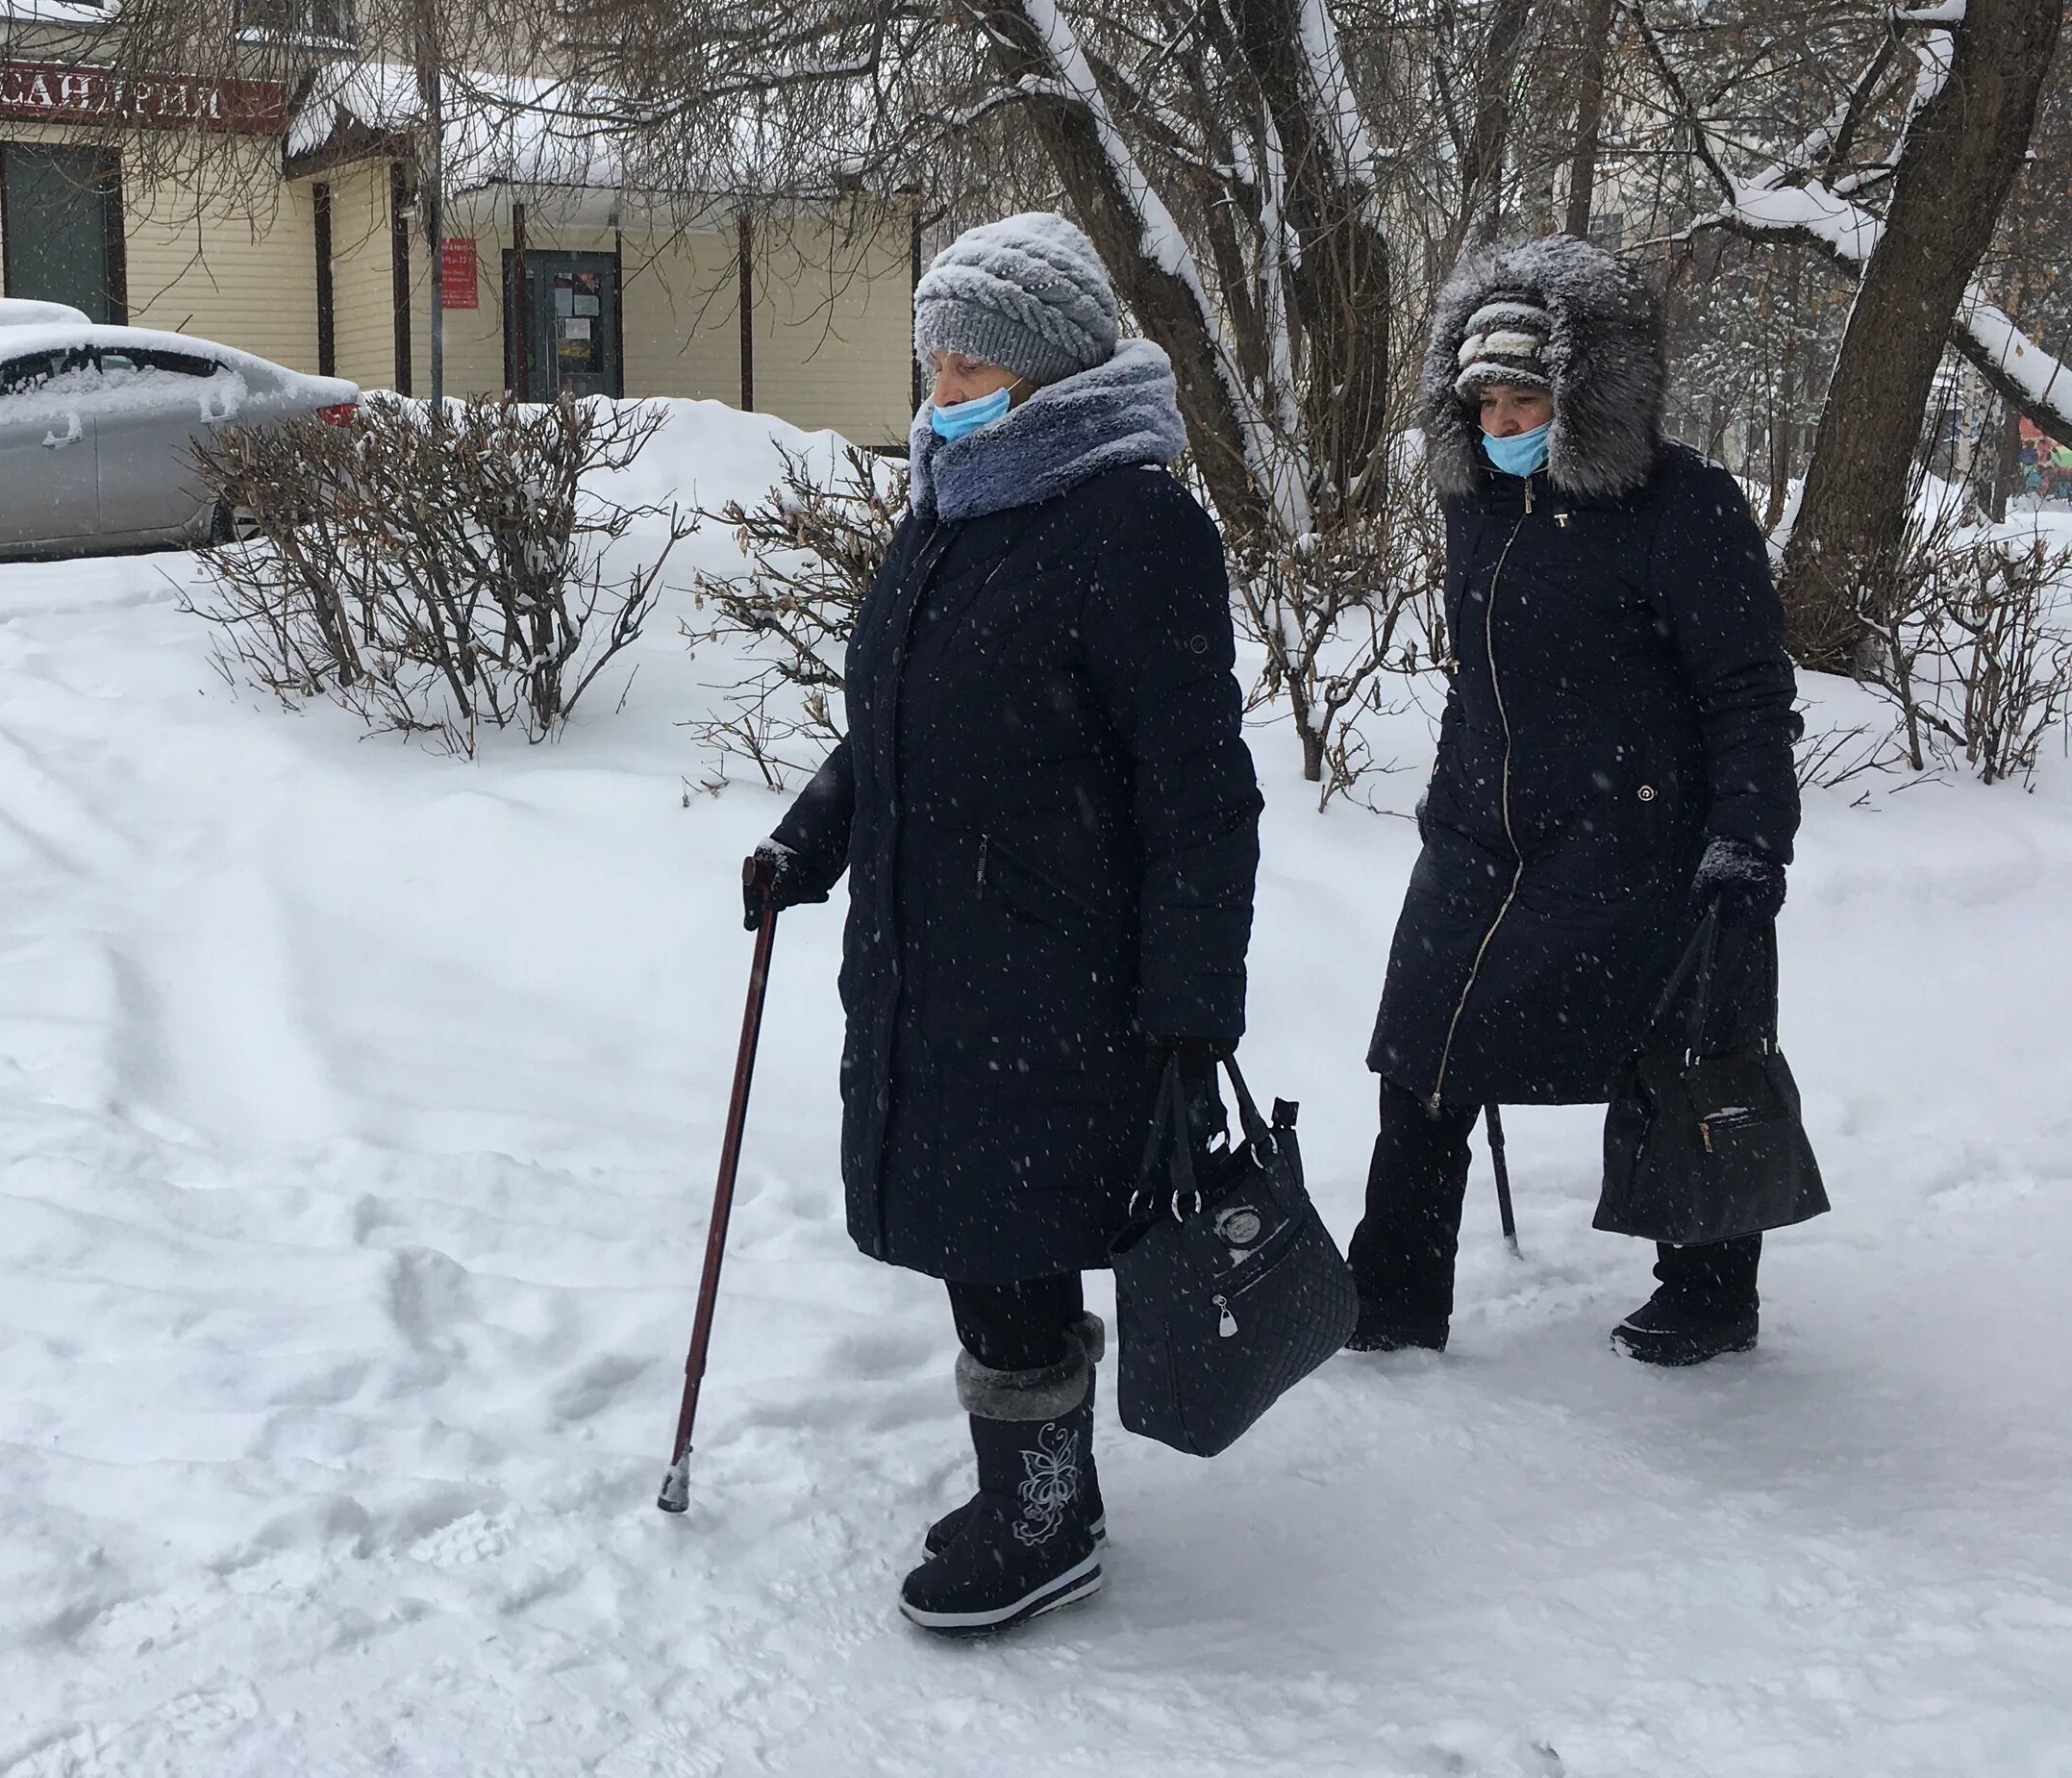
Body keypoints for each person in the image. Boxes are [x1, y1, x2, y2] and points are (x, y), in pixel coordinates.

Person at [743, 212, 1261, 1636]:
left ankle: (1046, 1512)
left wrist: (1189, 1000)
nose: (941, 387)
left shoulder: (1135, 526)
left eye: (969, 363)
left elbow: (1200, 794)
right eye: (933, 360)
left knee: (1010, 1228)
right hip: (931, 951)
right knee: (983, 1231)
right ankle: (1036, 1483)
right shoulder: (952, 510)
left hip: (1059, 968)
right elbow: (899, 727)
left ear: (1042, 374)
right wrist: (814, 834)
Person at [1349, 235, 1801, 1367]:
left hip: (1636, 844)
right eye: (1486, 405)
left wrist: (1750, 837)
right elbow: (1480, 677)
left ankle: (1711, 1287)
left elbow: (1746, 686)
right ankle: (1391, 1297)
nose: (1503, 427)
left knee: (1682, 1060)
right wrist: (1451, 790)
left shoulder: (1682, 506)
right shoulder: (1478, 509)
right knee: (1421, 1056)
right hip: (1482, 842)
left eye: (1525, 401)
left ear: (1587, 392)